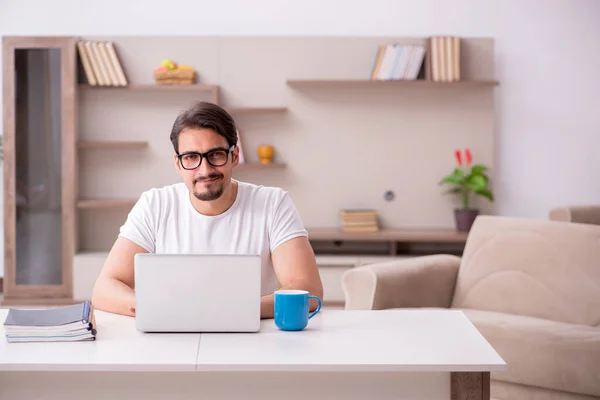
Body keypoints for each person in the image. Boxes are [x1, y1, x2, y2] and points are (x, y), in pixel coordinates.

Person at [91, 101, 323, 319]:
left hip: (250, 342)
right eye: (191, 157)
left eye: (215, 155)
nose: (205, 170)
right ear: (177, 163)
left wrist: (233, 310)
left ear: (234, 156)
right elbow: (105, 288)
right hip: (169, 337)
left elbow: (308, 289)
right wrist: (153, 308)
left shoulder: (273, 203)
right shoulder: (155, 205)